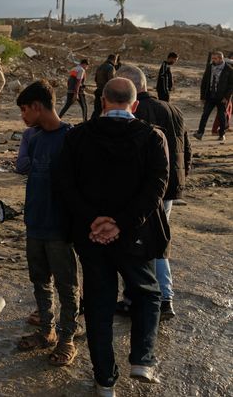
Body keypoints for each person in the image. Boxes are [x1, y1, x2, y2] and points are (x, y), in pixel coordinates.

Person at [57, 78, 169, 396]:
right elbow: (156, 188)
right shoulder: (152, 137)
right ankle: (142, 361)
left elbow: (64, 183)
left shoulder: (77, 135)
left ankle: (105, 380)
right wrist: (121, 224)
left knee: (98, 305)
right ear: (134, 105)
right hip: (136, 236)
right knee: (147, 293)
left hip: (90, 236)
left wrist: (94, 221)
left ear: (102, 101)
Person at [116, 65, 191, 320]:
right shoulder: (173, 109)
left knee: (139, 243)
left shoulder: (136, 112)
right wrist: (180, 181)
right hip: (170, 187)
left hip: (146, 189)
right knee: (158, 240)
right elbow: (186, 149)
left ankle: (139, 298)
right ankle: (163, 298)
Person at [14, 80, 78, 366]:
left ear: (37, 107)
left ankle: (67, 340)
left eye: (25, 110)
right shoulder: (35, 138)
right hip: (35, 223)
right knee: (40, 281)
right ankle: (47, 332)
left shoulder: (73, 138)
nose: (23, 116)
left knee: (67, 286)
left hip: (60, 228)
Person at [195, 51, 233, 142]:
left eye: (215, 59)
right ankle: (200, 133)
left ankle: (222, 134)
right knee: (205, 115)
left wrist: (226, 97)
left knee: (221, 117)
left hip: (222, 97)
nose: (213, 60)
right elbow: (204, 82)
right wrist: (202, 97)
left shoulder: (229, 69)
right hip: (210, 96)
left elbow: (231, 86)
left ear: (221, 59)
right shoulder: (210, 67)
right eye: (212, 58)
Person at [91, 54, 118, 119]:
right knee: (109, 112)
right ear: (114, 59)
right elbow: (111, 81)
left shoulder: (100, 67)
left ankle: (91, 125)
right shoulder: (111, 67)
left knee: (97, 111)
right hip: (107, 93)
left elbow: (95, 79)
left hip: (98, 91)